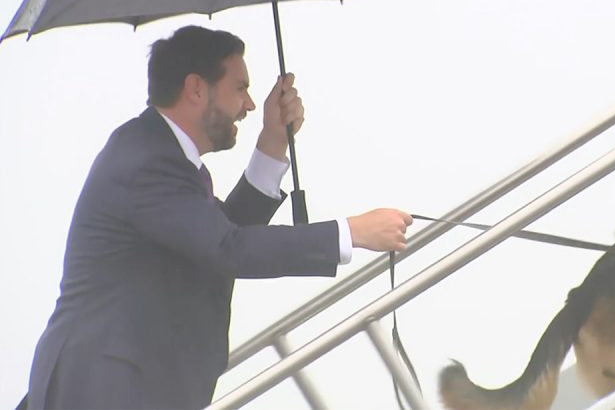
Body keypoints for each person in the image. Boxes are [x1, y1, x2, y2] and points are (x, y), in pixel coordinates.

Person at [23, 25, 412, 409]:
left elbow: (218, 235)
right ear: (196, 88)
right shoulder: (146, 161)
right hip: (102, 389)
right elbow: (226, 247)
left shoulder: (161, 155)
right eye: (240, 88)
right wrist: (350, 232)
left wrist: (274, 140)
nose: (250, 104)